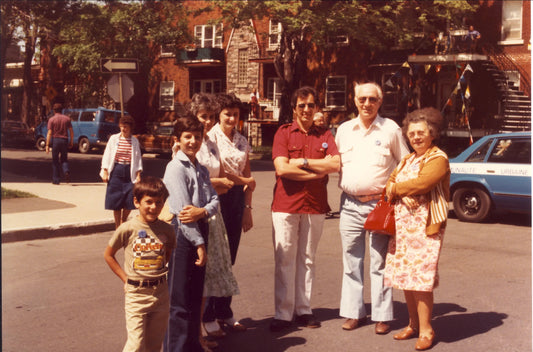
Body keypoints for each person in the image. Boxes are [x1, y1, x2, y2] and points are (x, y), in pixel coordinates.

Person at [336, 82, 410, 335]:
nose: (366, 104)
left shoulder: (391, 129)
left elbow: (406, 163)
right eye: (362, 99)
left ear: (380, 102)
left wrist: (395, 193)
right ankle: (353, 313)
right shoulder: (344, 130)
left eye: (372, 99)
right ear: (354, 100)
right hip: (349, 205)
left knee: (379, 263)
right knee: (351, 262)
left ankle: (382, 315)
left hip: (380, 206)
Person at [269, 86, 340, 332]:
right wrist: (316, 172)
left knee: (308, 259)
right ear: (294, 108)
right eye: (302, 105)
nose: (307, 110)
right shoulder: (284, 133)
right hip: (286, 205)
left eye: (311, 105)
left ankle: (304, 309)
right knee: (285, 258)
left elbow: (336, 164)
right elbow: (282, 169)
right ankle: (283, 313)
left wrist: (305, 162)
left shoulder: (325, 135)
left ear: (316, 108)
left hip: (315, 205)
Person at [384, 107, 450, 351]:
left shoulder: (438, 158)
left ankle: (426, 330)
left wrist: (400, 189)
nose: (416, 137)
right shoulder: (407, 159)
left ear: (432, 133)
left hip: (426, 228)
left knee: (421, 279)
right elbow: (389, 182)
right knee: (406, 277)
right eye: (412, 134)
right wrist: (398, 188)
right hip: (402, 229)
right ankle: (412, 325)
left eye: (421, 132)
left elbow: (423, 183)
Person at [163, 115, 220, 352]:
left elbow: (215, 201)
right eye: (188, 137)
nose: (193, 141)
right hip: (183, 237)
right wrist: (199, 244)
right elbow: (184, 213)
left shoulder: (202, 170)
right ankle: (175, 348)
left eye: (197, 137)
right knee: (179, 300)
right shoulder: (175, 168)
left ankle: (192, 345)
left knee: (196, 295)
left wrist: (202, 211)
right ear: (178, 139)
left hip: (201, 229)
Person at [187, 93, 239, 350]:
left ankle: (201, 328)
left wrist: (241, 183)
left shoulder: (212, 142)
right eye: (202, 117)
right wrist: (217, 184)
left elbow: (221, 171)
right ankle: (195, 331)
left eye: (209, 117)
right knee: (196, 274)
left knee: (209, 272)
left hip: (212, 212)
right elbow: (192, 180)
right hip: (195, 213)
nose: (207, 122)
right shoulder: (188, 144)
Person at [202, 93, 255, 334]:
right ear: (219, 115)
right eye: (227, 114)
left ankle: (224, 311)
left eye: (235, 114)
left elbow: (249, 177)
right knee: (215, 258)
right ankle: (208, 314)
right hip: (217, 197)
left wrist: (247, 208)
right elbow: (242, 178)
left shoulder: (242, 140)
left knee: (230, 257)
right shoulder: (210, 137)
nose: (231, 118)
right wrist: (244, 180)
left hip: (236, 200)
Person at [104, 176, 176, 352]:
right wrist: (125, 279)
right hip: (136, 295)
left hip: (160, 294)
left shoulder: (167, 230)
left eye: (159, 202)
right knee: (135, 345)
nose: (154, 207)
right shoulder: (127, 228)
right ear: (137, 202)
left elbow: (167, 253)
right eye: (148, 202)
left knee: (153, 346)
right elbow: (108, 255)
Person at [100, 115, 143, 229]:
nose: (124, 129)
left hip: (129, 172)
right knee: (116, 200)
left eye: (126, 127)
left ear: (130, 128)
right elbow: (107, 155)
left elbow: (138, 158)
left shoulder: (134, 141)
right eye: (122, 127)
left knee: (130, 199)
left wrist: (138, 175)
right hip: (116, 171)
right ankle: (117, 225)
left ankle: (124, 220)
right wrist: (105, 171)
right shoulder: (114, 139)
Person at [45, 103, 74, 185]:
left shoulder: (51, 119)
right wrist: (71, 141)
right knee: (64, 159)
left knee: (55, 160)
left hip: (56, 140)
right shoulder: (67, 119)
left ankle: (56, 179)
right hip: (64, 140)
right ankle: (66, 171)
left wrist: (47, 145)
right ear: (62, 110)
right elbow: (71, 131)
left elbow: (49, 133)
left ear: (54, 111)